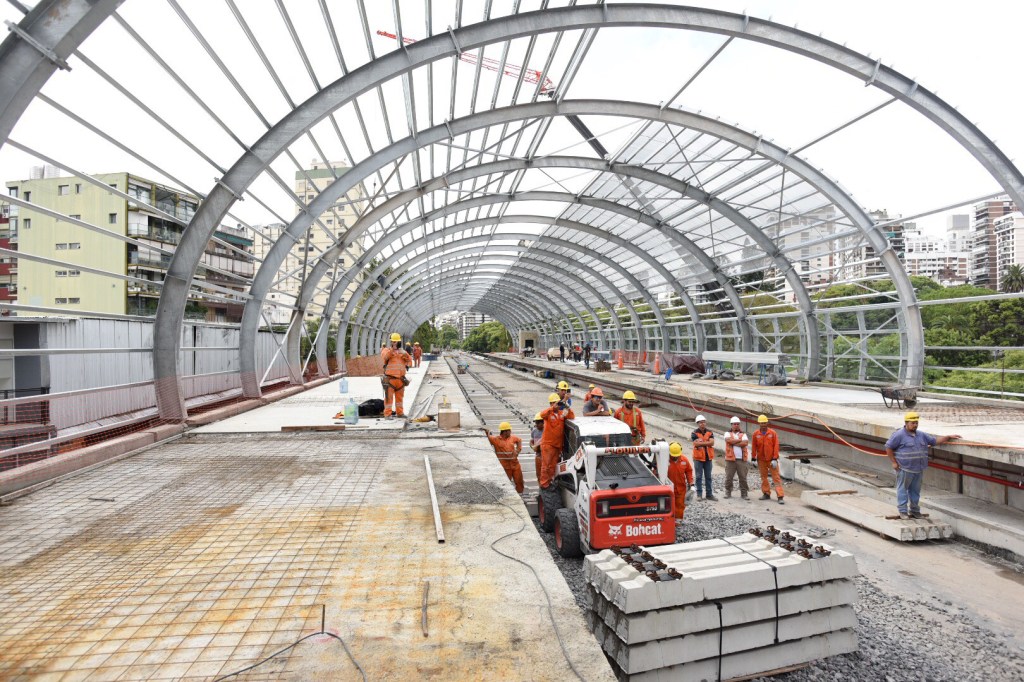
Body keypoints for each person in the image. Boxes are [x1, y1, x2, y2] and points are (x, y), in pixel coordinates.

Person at [885, 411, 960, 519]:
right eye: (913, 423)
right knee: (902, 490)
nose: (915, 425)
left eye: (916, 423)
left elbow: (934, 441)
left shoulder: (921, 435)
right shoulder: (899, 435)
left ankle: (915, 511)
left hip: (918, 469)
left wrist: (947, 437)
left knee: (915, 492)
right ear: (906, 423)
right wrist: (893, 462)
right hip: (905, 469)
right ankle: (903, 512)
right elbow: (888, 447)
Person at [538, 393, 575, 489]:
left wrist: (566, 405)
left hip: (557, 445)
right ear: (551, 404)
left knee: (553, 466)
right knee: (546, 465)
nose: (557, 405)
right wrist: (552, 408)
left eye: (558, 403)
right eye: (555, 403)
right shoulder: (548, 414)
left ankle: (550, 482)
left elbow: (571, 416)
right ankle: (544, 484)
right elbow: (542, 414)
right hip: (548, 444)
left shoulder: (561, 414)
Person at [751, 415, 784, 504]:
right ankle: (766, 493)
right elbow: (754, 446)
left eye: (764, 423)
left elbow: (776, 446)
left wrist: (774, 458)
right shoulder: (755, 434)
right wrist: (753, 458)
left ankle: (780, 496)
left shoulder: (772, 433)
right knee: (763, 477)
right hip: (761, 459)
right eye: (762, 423)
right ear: (759, 423)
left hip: (771, 459)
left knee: (776, 478)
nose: (763, 425)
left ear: (767, 423)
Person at [484, 421, 524, 494]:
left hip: (515, 465)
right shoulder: (496, 440)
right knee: (505, 484)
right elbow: (488, 438)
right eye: (509, 430)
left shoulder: (512, 438)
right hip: (505, 467)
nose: (510, 431)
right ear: (505, 431)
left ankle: (520, 495)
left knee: (519, 481)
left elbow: (519, 440)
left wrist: (518, 451)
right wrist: (487, 432)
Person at [380, 333, 413, 418]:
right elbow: (385, 358)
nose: (394, 343)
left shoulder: (402, 352)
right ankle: (387, 414)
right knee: (388, 399)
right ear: (391, 342)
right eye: (393, 342)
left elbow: (410, 362)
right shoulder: (386, 350)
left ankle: (400, 413)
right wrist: (392, 350)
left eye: (396, 342)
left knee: (399, 399)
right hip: (390, 380)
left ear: (399, 342)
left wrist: (405, 354)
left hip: (401, 380)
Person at [723, 416, 750, 500]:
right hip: (730, 459)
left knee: (743, 477)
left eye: (738, 424)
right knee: (729, 477)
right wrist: (739, 440)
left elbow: (745, 443)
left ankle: (744, 493)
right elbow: (728, 441)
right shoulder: (727, 433)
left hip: (741, 460)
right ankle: (728, 492)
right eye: (734, 424)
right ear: (731, 425)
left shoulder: (743, 434)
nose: (736, 425)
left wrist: (734, 442)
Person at [667, 442, 695, 521]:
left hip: (680, 488)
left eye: (677, 456)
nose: (675, 457)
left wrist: (691, 484)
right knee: (668, 505)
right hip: (668, 488)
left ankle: (678, 520)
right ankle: (669, 520)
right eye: (673, 455)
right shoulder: (664, 460)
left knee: (680, 505)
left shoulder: (684, 460)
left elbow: (689, 471)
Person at [691, 415, 717, 501]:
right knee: (698, 477)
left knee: (708, 477)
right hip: (698, 458)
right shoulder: (694, 433)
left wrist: (702, 442)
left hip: (708, 458)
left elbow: (712, 443)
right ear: (698, 423)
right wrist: (707, 442)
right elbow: (696, 444)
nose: (703, 423)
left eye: (704, 422)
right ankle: (699, 495)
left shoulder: (710, 432)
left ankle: (709, 494)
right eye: (701, 422)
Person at [530, 412, 545, 483]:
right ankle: (541, 492)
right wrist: (533, 447)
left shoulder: (547, 431)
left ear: (543, 422)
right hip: (538, 456)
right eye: (536, 423)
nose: (536, 425)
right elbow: (531, 441)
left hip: (546, 456)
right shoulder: (534, 431)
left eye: (538, 423)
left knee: (546, 475)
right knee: (539, 474)